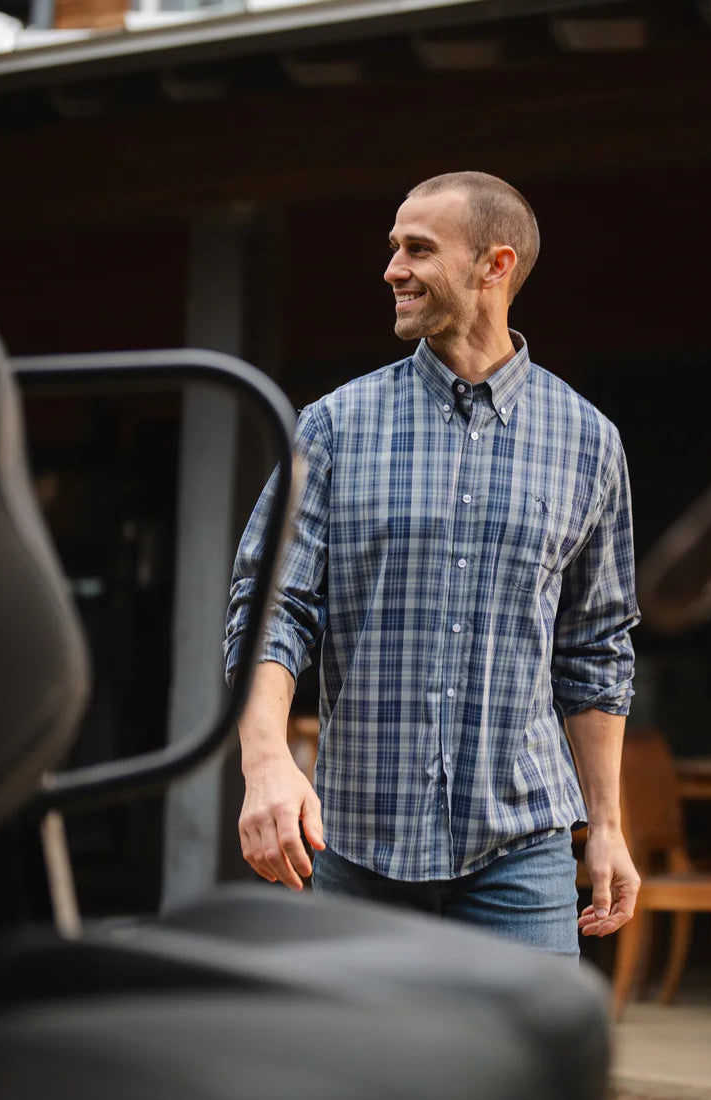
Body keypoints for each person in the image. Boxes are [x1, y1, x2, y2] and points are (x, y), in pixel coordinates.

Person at [224, 171, 641, 957]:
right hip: (355, 847)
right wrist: (267, 763)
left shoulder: (589, 442)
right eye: (393, 248)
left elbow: (597, 651)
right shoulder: (334, 428)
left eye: (418, 249)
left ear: (496, 265)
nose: (392, 269)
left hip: (522, 852)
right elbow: (271, 611)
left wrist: (608, 828)